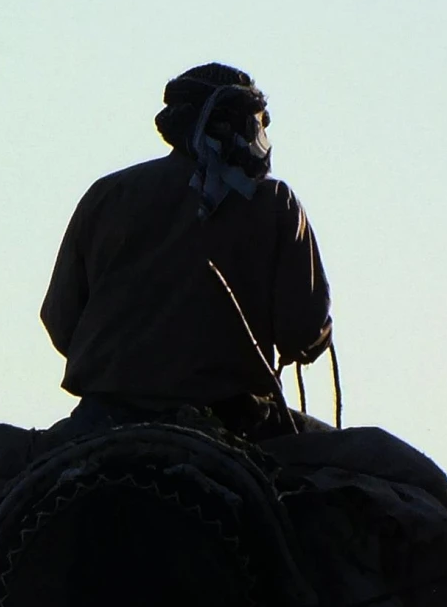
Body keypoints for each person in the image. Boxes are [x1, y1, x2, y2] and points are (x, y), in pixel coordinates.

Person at [41, 62, 331, 437]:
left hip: (102, 419)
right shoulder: (274, 202)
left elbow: (60, 320)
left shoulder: (107, 194)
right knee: (390, 469)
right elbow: (300, 332)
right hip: (236, 421)